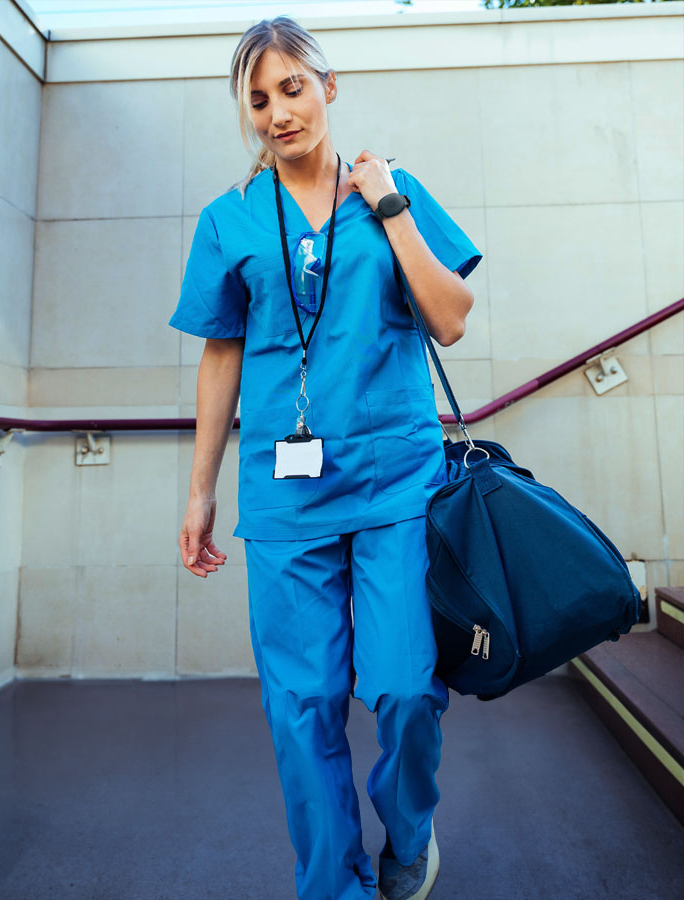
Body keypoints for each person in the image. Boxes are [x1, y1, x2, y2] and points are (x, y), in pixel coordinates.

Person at [168, 15, 482, 900]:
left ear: (329, 86)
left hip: (396, 485)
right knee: (301, 710)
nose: (277, 113)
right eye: (257, 99)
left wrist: (388, 206)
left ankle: (410, 835)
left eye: (292, 88)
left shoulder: (394, 189)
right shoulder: (229, 219)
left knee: (406, 690)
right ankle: (331, 886)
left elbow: (450, 318)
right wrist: (200, 494)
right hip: (285, 497)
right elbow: (221, 352)